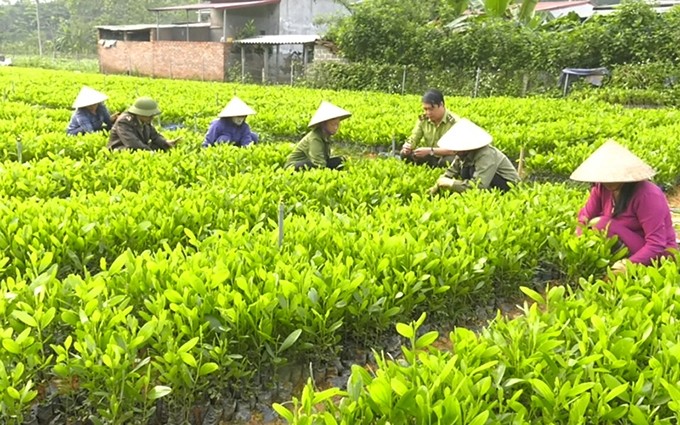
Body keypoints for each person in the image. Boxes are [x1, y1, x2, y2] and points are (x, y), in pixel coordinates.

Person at [571, 140, 677, 273]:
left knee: (601, 224)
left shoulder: (647, 195)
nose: (609, 182)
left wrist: (627, 265)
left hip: (658, 255)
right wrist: (579, 245)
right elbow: (584, 219)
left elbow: (656, 244)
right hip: (627, 245)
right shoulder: (601, 188)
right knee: (594, 225)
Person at [429, 119, 520, 194]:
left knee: (471, 172)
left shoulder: (485, 154)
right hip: (488, 181)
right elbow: (451, 172)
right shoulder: (462, 153)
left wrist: (452, 183)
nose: (455, 151)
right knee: (465, 171)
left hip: (506, 185)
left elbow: (479, 186)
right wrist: (437, 185)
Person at [400, 89, 459, 167]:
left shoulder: (454, 122)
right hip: (430, 156)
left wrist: (430, 151)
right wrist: (408, 146)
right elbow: (414, 137)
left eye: (431, 109)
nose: (428, 113)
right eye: (425, 109)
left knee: (449, 161)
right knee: (404, 154)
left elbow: (454, 150)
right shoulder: (423, 120)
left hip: (446, 156)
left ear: (441, 105)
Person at [284, 101, 350, 171]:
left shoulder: (325, 136)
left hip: (312, 163)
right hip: (294, 167)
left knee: (340, 161)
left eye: (337, 124)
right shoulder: (315, 138)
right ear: (324, 124)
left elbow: (324, 159)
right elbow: (318, 163)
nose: (336, 127)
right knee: (311, 165)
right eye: (332, 124)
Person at [107, 97, 179, 151]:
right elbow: (132, 143)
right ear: (140, 113)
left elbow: (155, 136)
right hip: (121, 149)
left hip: (139, 147)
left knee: (160, 146)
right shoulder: (124, 121)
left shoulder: (145, 121)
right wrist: (150, 152)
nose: (152, 117)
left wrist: (166, 142)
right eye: (150, 115)